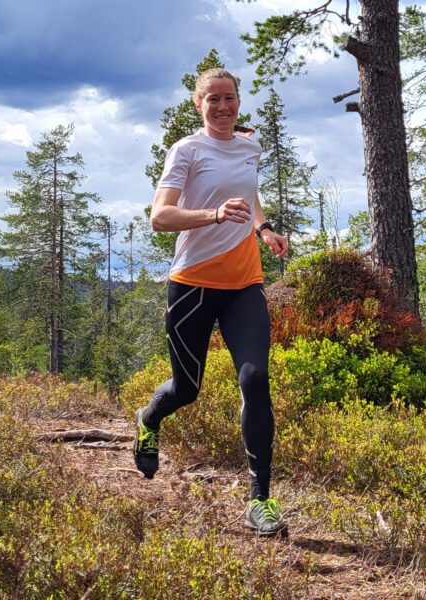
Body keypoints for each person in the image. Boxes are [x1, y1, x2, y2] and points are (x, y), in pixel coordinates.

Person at [133, 67, 289, 536]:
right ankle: (148, 418)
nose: (223, 108)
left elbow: (248, 188)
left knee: (255, 378)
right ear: (198, 104)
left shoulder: (249, 145)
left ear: (239, 101)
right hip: (193, 285)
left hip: (244, 284)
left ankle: (260, 499)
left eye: (230, 99)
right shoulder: (187, 151)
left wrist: (261, 228)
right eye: (213, 100)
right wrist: (213, 214)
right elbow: (160, 217)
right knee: (187, 389)